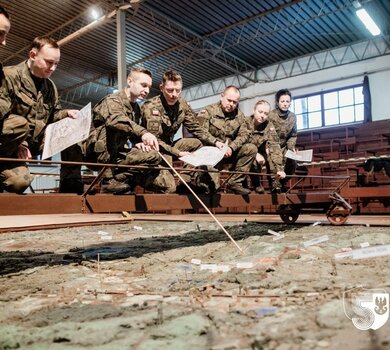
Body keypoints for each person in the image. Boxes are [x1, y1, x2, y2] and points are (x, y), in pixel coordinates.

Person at [0, 36, 79, 194]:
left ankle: (71, 186)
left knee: (73, 132)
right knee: (19, 182)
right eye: (49, 62)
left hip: (34, 142)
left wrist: (67, 113)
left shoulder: (50, 87)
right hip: (9, 141)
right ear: (33, 55)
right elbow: (3, 118)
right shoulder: (9, 76)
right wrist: (20, 144)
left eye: (56, 64)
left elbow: (53, 114)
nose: (53, 68)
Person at [84, 68, 160, 194]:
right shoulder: (112, 100)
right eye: (143, 85)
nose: (147, 90)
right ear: (130, 81)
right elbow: (116, 120)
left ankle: (121, 180)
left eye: (149, 87)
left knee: (153, 156)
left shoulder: (136, 109)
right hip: (95, 155)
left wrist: (138, 141)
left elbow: (131, 132)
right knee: (111, 127)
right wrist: (143, 133)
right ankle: (106, 180)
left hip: (117, 154)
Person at [141, 70, 217, 193]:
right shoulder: (151, 107)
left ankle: (185, 181)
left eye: (178, 90)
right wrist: (178, 153)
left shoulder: (182, 104)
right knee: (169, 188)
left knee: (195, 143)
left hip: (170, 146)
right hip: (154, 148)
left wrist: (216, 142)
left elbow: (196, 128)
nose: (174, 94)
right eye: (170, 90)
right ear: (161, 87)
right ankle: (140, 177)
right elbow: (155, 141)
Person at [197, 86, 257, 195]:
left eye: (235, 102)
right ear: (221, 97)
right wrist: (216, 143)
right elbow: (200, 132)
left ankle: (234, 183)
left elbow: (244, 135)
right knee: (212, 189)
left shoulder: (240, 116)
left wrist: (231, 147)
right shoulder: (208, 111)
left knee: (251, 148)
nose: (231, 104)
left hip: (229, 154)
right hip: (211, 154)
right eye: (229, 100)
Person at [267, 88, 297, 193]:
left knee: (293, 162)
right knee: (276, 158)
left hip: (285, 145)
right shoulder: (270, 115)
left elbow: (293, 135)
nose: (285, 104)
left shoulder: (292, 116)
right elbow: (269, 135)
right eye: (282, 101)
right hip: (271, 144)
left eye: (287, 101)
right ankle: (275, 185)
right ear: (277, 102)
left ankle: (283, 182)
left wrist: (291, 147)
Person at [247, 100, 272, 193]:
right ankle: (252, 183)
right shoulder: (245, 122)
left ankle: (274, 184)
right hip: (246, 151)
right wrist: (256, 154)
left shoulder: (268, 125)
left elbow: (273, 142)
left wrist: (269, 150)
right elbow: (241, 142)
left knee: (274, 154)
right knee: (250, 154)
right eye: (260, 112)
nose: (262, 116)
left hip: (261, 152)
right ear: (254, 110)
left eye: (266, 113)